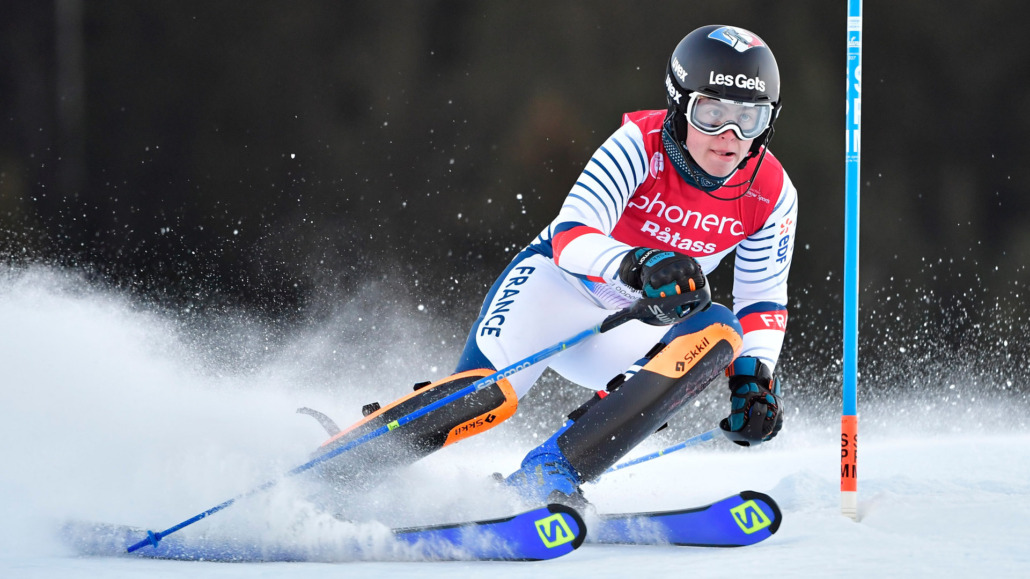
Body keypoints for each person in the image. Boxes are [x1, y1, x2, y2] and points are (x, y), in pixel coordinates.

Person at [314, 24, 796, 506]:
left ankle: (551, 474)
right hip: (554, 292)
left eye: (749, 119)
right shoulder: (638, 144)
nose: (730, 137)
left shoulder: (771, 192)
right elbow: (572, 234)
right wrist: (637, 263)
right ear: (679, 103)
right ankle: (340, 465)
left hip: (632, 328)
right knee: (486, 398)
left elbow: (764, 299)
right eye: (711, 114)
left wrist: (754, 382)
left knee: (720, 329)